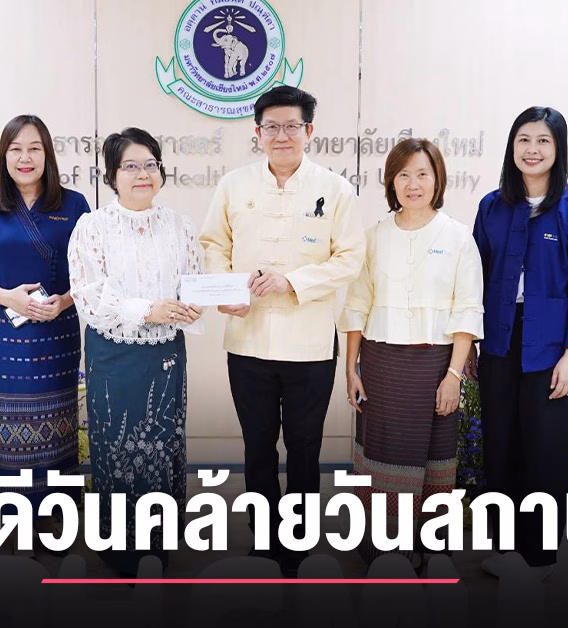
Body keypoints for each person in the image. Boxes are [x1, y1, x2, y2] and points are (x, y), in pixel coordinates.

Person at [199, 85, 366, 575]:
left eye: (292, 126)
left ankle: (298, 543)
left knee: (305, 448)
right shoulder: (234, 185)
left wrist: (292, 282)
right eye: (271, 126)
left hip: (310, 345)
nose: (281, 135)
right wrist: (225, 287)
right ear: (257, 132)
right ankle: (263, 541)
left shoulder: (335, 189)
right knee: (256, 447)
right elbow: (213, 243)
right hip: (247, 340)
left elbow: (349, 259)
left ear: (309, 131)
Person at [339, 138, 483, 570]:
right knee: (383, 455)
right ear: (391, 182)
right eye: (403, 175)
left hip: (436, 365)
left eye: (423, 174)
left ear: (438, 180)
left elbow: (467, 311)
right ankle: (386, 549)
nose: (413, 184)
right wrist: (351, 368)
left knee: (435, 458)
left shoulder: (457, 237)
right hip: (381, 364)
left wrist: (453, 376)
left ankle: (431, 548)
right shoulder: (373, 237)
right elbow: (357, 305)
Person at [472, 106, 568, 581]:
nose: (532, 149)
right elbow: (474, 281)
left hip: (552, 346)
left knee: (546, 451)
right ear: (512, 147)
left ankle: (539, 558)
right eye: (523, 140)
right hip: (499, 340)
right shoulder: (492, 206)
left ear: (558, 149)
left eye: (543, 141)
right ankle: (505, 549)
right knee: (501, 446)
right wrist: (471, 346)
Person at [67, 127, 203, 576]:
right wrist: (148, 309)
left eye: (150, 165)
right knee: (118, 448)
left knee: (163, 444)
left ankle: (157, 548)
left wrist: (192, 305)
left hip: (165, 355)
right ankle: (122, 551)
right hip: (114, 354)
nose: (142, 174)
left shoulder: (180, 225)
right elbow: (89, 297)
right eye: (130, 166)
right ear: (111, 175)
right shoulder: (92, 227)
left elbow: (192, 283)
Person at [0, 115, 91, 554]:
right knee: (3, 426)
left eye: (34, 148)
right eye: (16, 149)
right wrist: (7, 298)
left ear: (47, 154)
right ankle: (7, 516)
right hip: (0, 337)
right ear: (4, 156)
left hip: (56, 335)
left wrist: (64, 302)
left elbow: (91, 273)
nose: (25, 157)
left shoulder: (74, 204)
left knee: (55, 424)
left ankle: (52, 514)